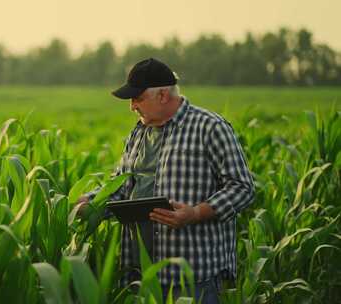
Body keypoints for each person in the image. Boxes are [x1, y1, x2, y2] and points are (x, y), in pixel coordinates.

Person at [76, 58, 255, 303]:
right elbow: (121, 185)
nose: (132, 107)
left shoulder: (210, 127)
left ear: (162, 95)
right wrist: (90, 202)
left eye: (137, 98)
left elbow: (242, 187)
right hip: (140, 272)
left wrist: (195, 213)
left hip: (192, 276)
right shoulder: (138, 133)